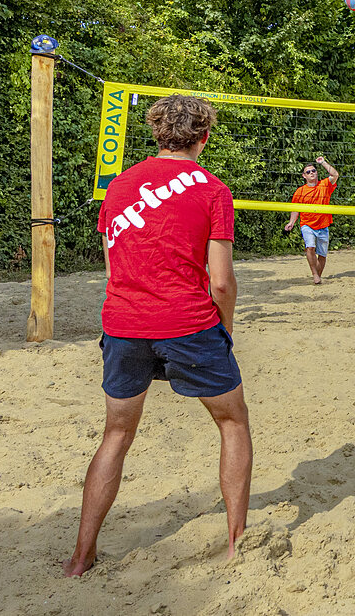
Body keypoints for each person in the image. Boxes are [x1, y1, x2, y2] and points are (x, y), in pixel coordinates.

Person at [64, 94, 250, 576]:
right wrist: (225, 331)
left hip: (123, 324)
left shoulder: (119, 186)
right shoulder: (213, 189)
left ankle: (81, 557)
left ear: (157, 134)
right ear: (203, 137)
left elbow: (113, 269)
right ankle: (236, 544)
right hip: (188, 323)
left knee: (116, 435)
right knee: (233, 423)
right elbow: (222, 282)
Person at [284, 156, 340, 284]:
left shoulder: (324, 185)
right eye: (308, 172)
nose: (311, 173)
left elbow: (335, 174)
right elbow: (295, 209)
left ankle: (317, 275)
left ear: (317, 172)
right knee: (310, 247)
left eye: (313, 170)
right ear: (304, 176)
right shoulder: (300, 191)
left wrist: (323, 162)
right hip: (307, 224)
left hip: (323, 225)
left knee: (322, 255)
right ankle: (315, 274)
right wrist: (291, 222)